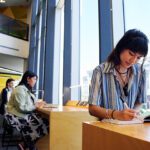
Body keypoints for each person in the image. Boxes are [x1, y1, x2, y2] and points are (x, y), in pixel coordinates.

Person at [88, 29, 149, 121]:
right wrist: (116, 114)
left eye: (138, 58)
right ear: (121, 47)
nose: (133, 61)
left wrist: (132, 113)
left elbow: (140, 101)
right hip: (106, 129)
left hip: (130, 127)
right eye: (131, 54)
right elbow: (92, 109)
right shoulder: (100, 71)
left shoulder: (141, 71)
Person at [6, 70, 49, 150]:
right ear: (28, 79)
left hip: (21, 114)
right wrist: (35, 106)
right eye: (34, 79)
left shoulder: (26, 89)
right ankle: (28, 144)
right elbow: (22, 107)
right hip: (16, 116)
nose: (35, 81)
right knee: (45, 123)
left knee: (44, 121)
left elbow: (29, 103)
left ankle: (26, 144)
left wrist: (38, 103)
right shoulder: (20, 89)